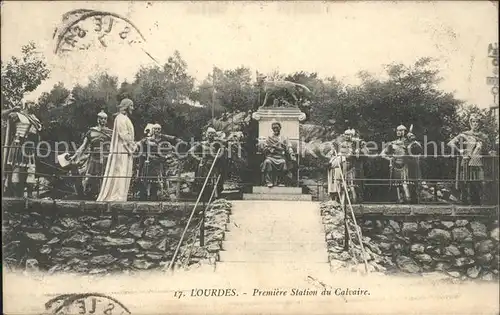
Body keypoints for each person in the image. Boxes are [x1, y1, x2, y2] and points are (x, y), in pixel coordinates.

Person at [96, 98, 137, 202]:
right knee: (120, 170)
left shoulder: (125, 118)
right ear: (126, 107)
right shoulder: (120, 118)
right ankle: (117, 196)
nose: (133, 108)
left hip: (126, 148)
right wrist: (133, 145)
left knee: (124, 171)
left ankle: (121, 195)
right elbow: (124, 134)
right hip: (122, 148)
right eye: (131, 106)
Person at [69, 110, 113, 199]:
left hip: (105, 157)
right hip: (94, 157)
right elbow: (83, 146)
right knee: (91, 176)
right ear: (98, 120)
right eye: (101, 119)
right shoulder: (91, 131)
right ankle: (89, 195)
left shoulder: (110, 132)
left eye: (105, 119)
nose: (103, 121)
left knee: (104, 176)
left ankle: (103, 195)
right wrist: (75, 156)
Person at [2, 102, 42, 197]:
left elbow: (38, 133)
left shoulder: (34, 118)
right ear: (27, 104)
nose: (34, 105)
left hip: (30, 146)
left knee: (31, 170)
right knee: (17, 169)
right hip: (18, 145)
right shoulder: (18, 115)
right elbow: (3, 115)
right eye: (32, 103)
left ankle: (30, 196)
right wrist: (12, 110)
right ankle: (16, 196)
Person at [447, 115, 489, 205]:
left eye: (477, 122)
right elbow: (450, 143)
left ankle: (477, 204)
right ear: (470, 123)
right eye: (473, 122)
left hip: (478, 162)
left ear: (480, 124)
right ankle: (464, 203)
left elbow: (487, 150)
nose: (475, 124)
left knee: (478, 183)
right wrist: (460, 151)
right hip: (466, 161)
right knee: (464, 183)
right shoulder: (465, 134)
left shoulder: (483, 136)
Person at [137, 123, 179, 200]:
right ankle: (144, 195)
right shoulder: (147, 139)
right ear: (152, 130)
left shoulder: (162, 137)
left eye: (159, 129)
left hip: (159, 161)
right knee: (146, 179)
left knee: (157, 180)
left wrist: (178, 141)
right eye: (155, 129)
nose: (157, 130)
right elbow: (139, 144)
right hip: (149, 161)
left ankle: (156, 196)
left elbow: (172, 138)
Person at [328, 128, 368, 204]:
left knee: (352, 183)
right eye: (345, 134)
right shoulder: (342, 144)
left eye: (348, 134)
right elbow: (336, 152)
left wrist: (357, 151)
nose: (346, 136)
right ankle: (337, 195)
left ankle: (355, 198)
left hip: (351, 164)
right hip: (341, 163)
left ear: (352, 135)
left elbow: (358, 154)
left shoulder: (355, 143)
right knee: (337, 165)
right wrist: (333, 152)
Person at [380, 124, 417, 204]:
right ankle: (399, 200)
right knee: (397, 185)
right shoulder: (392, 143)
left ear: (405, 132)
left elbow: (418, 149)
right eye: (397, 130)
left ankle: (408, 200)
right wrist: (390, 159)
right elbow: (382, 154)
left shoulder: (409, 142)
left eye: (401, 130)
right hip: (395, 165)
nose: (399, 132)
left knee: (405, 185)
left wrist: (413, 141)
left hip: (405, 166)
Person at [187, 127, 227, 199]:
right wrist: (198, 158)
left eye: (212, 133)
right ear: (206, 134)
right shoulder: (202, 144)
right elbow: (191, 151)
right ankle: (203, 196)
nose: (210, 135)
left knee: (215, 180)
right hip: (204, 164)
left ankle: (215, 196)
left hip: (215, 164)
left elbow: (225, 146)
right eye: (209, 133)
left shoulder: (218, 143)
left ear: (215, 134)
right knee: (202, 180)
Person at [260, 120, 296, 187]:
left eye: (277, 127)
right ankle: (269, 181)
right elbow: (265, 148)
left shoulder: (284, 138)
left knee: (283, 163)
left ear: (280, 128)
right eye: (274, 128)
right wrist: (270, 149)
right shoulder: (269, 138)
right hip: (271, 157)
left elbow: (289, 146)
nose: (275, 129)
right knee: (267, 162)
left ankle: (281, 181)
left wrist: (291, 154)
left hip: (280, 157)